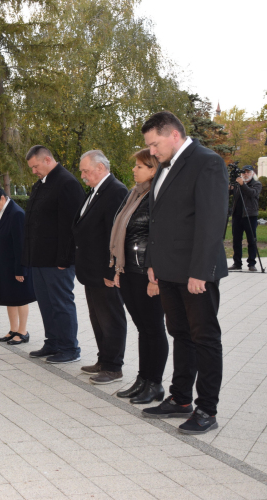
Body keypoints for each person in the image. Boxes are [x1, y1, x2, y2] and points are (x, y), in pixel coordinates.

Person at [141, 111, 228, 435]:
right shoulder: (166, 166)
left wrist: (201, 272)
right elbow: (158, 221)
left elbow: (211, 221)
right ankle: (180, 399)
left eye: (154, 143)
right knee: (180, 334)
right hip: (167, 270)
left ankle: (207, 409)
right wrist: (153, 262)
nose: (151, 151)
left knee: (205, 339)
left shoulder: (207, 162)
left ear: (173, 135)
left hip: (195, 273)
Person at [109, 149, 168, 404]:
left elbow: (160, 237)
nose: (134, 170)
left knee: (154, 328)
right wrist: (118, 268)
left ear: (154, 169)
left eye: (140, 166)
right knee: (143, 328)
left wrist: (155, 279)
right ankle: (143, 379)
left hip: (147, 273)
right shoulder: (135, 194)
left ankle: (155, 383)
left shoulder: (157, 196)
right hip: (130, 270)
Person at [23, 146, 86, 364]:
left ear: (47, 159)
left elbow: (72, 226)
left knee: (61, 303)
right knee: (46, 303)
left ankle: (70, 347)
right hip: (39, 259)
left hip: (58, 261)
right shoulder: (40, 185)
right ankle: (53, 342)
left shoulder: (67, 183)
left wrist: (65, 259)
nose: (34, 171)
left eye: (35, 166)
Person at [72, 150, 128, 384]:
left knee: (111, 317)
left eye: (86, 170)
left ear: (100, 168)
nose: (83, 175)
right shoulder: (96, 191)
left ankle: (114, 367)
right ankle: (104, 359)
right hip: (91, 271)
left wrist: (110, 270)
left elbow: (114, 236)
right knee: (97, 317)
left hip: (105, 271)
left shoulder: (115, 191)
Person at [0, 180, 36, 345]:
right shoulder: (0, 212)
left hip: (16, 264)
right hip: (4, 263)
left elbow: (21, 244)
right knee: (8, 296)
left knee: (20, 297)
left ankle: (23, 331)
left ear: (2, 198)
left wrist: (21, 269)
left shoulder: (16, 214)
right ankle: (13, 329)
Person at [229, 166, 262, 272]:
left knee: (251, 240)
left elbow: (252, 193)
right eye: (244, 172)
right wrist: (229, 187)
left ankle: (252, 263)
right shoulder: (238, 184)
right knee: (236, 240)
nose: (245, 174)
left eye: (248, 172)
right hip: (237, 215)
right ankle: (237, 263)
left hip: (250, 215)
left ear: (253, 173)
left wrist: (242, 184)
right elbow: (227, 194)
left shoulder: (256, 184)